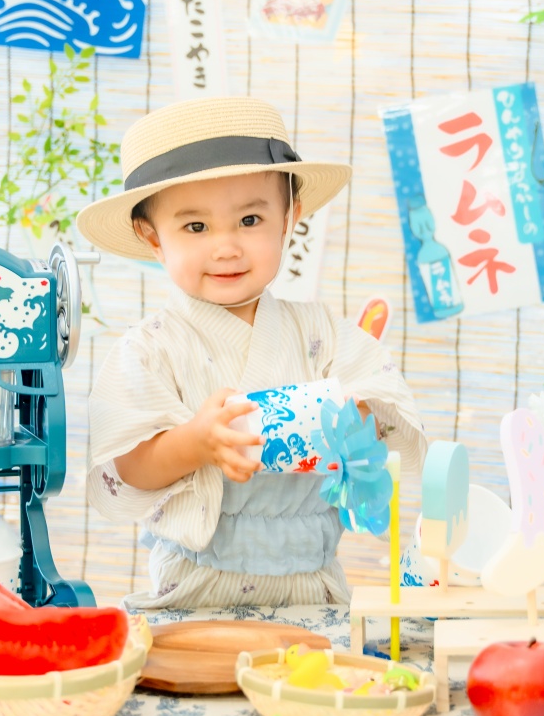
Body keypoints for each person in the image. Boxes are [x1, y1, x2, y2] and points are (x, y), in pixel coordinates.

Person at [76, 96, 426, 609]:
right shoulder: (150, 349)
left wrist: (356, 418)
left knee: (316, 661)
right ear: (152, 238)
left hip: (312, 584)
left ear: (289, 218)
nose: (226, 247)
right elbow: (128, 466)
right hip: (196, 587)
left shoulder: (321, 333)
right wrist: (195, 444)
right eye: (196, 227)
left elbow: (387, 408)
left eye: (250, 219)